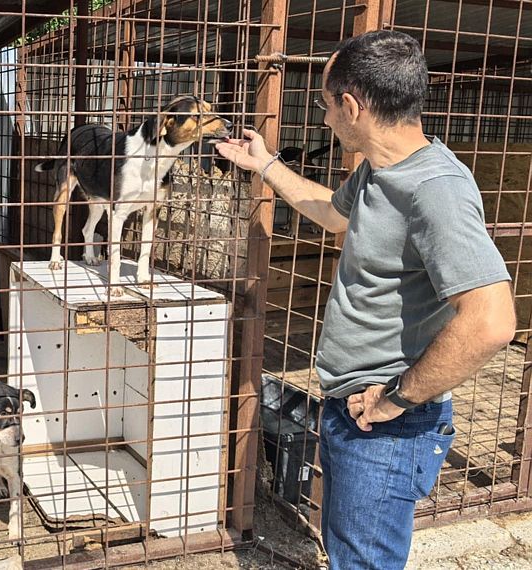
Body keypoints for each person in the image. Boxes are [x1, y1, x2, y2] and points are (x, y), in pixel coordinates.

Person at [215, 30, 516, 569]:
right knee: (348, 555)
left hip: (387, 425)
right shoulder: (380, 169)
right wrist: (264, 165)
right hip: (351, 408)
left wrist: (397, 398)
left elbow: (492, 321)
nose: (327, 119)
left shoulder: (436, 190)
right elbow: (333, 213)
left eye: (327, 106)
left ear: (352, 106)